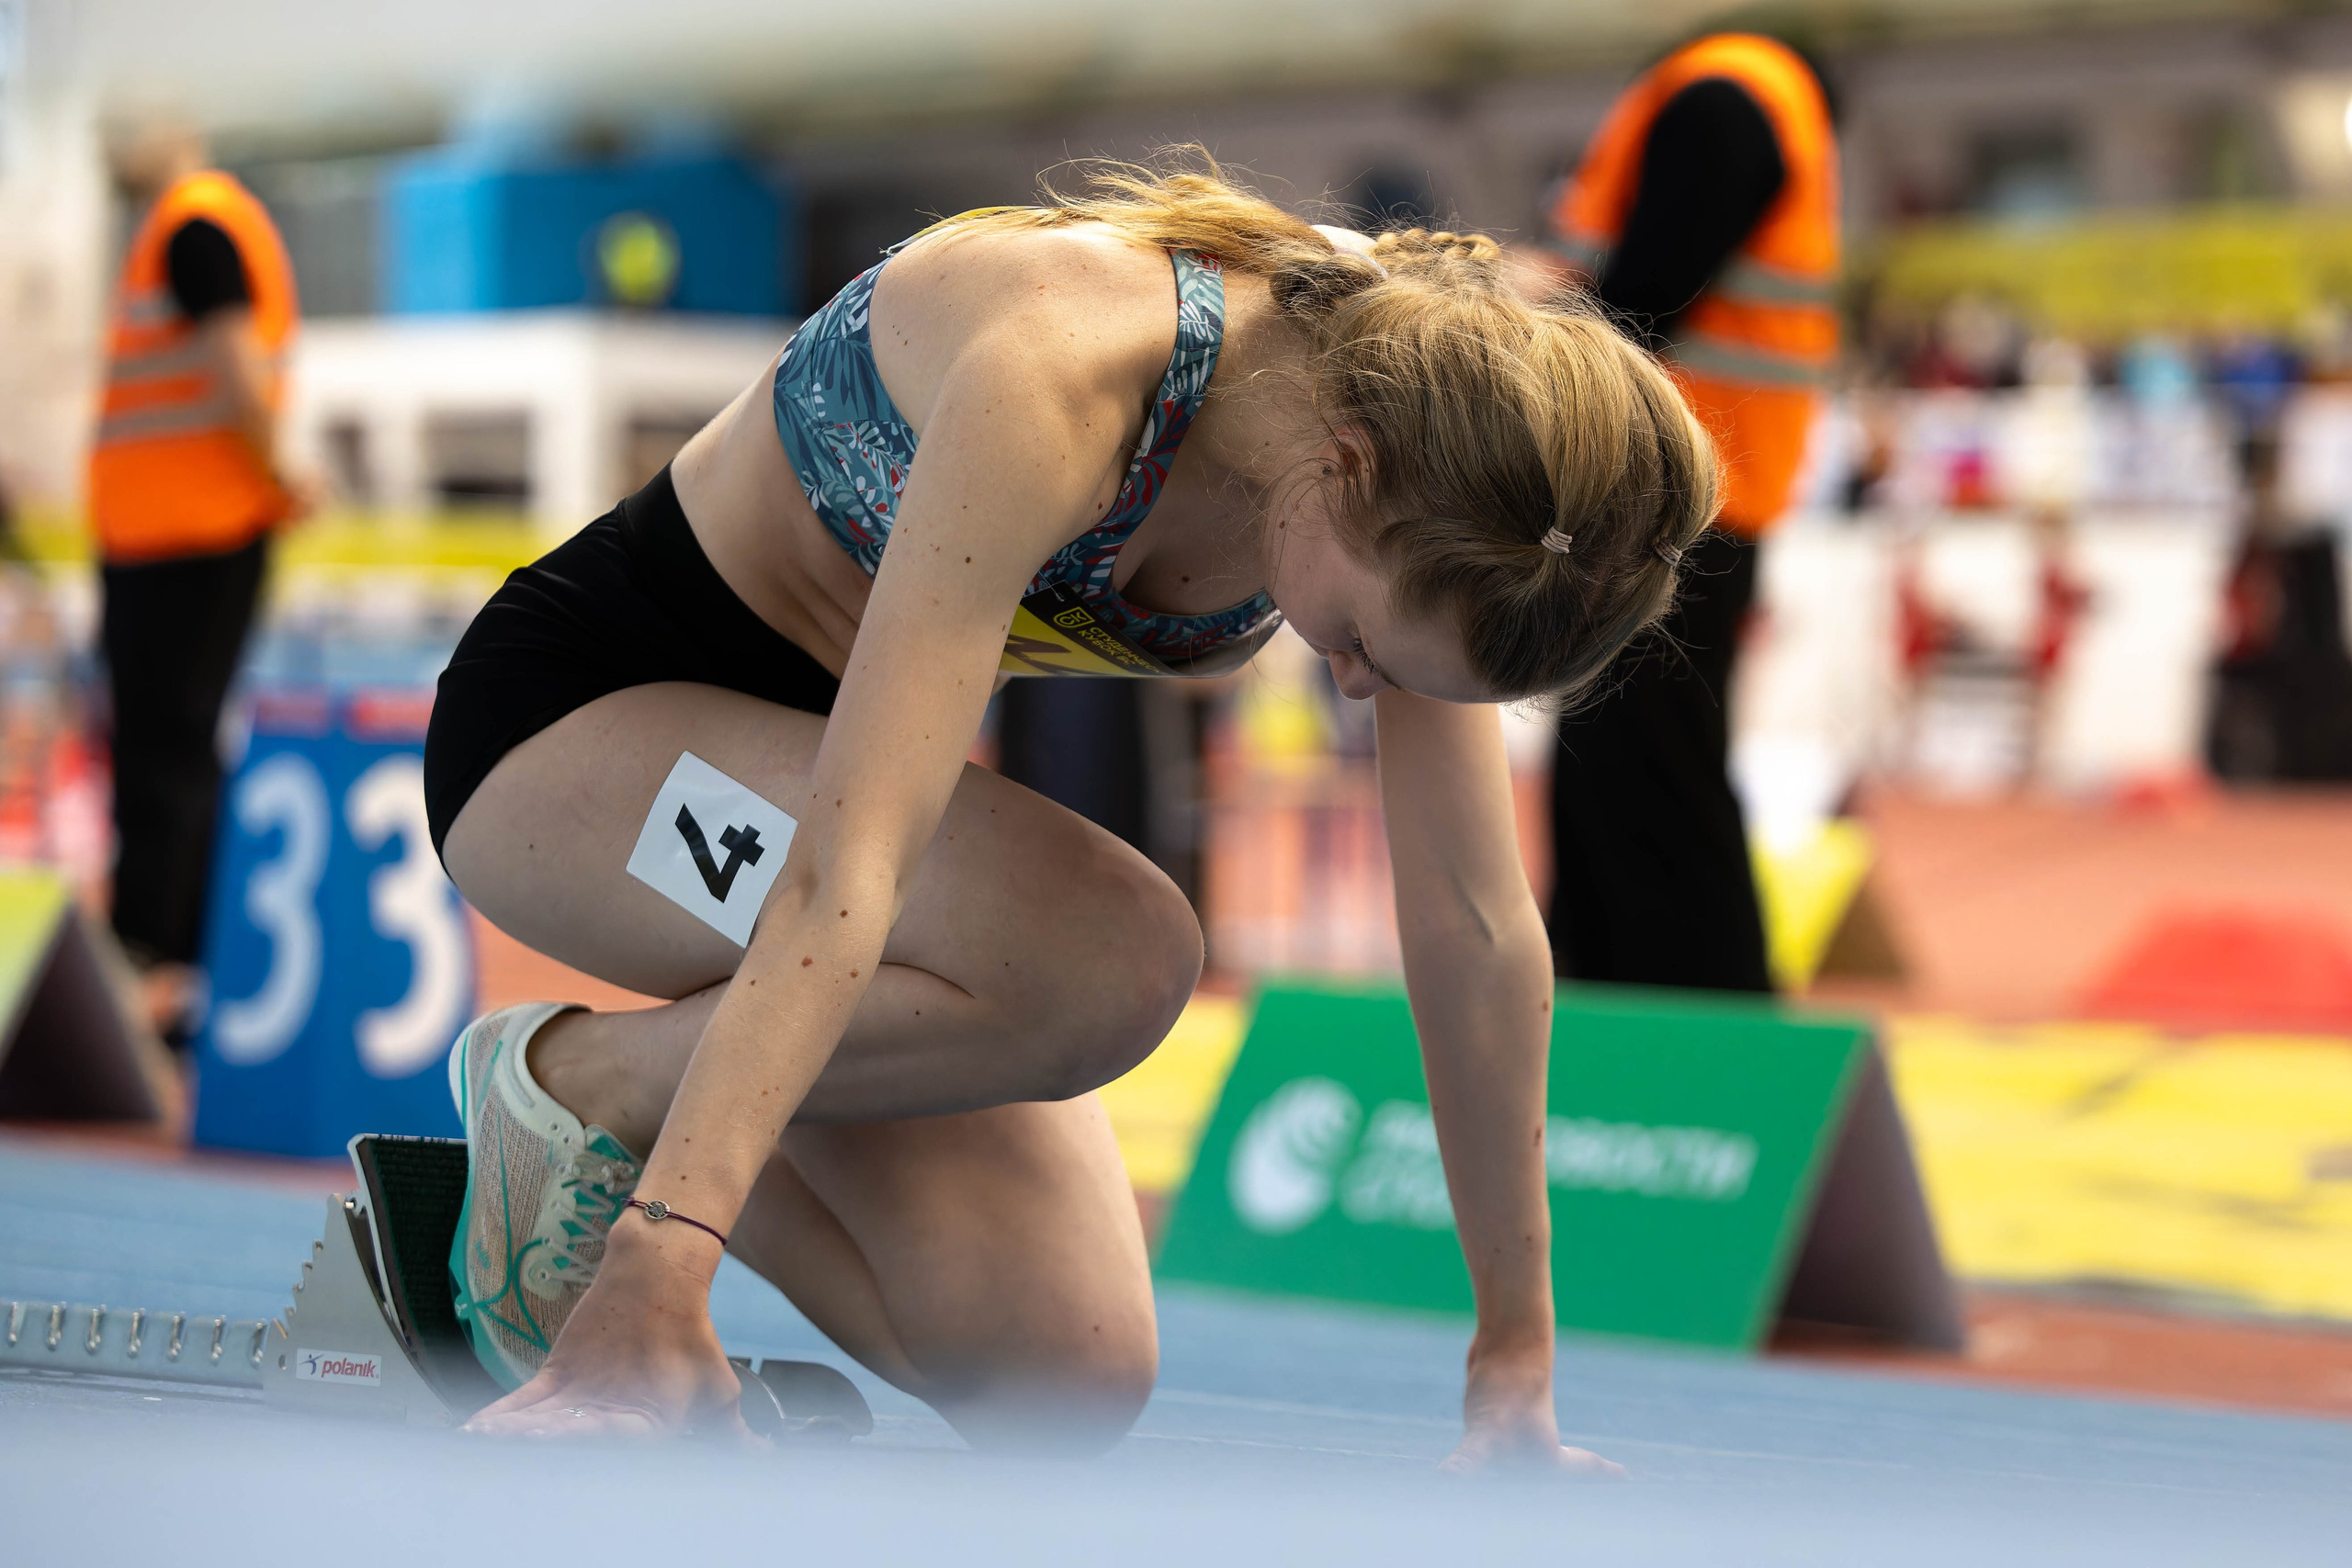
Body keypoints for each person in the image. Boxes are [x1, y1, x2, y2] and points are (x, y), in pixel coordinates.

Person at [423, 157, 1715, 1466]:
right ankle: (583, 1093)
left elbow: (1477, 926)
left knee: (1064, 1373)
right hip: (581, 737)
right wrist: (663, 1262)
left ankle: (595, 1097)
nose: (1359, 684)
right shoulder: (1070, 365)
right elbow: (848, 862)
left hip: (805, 781)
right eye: (1366, 643)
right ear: (1347, 467)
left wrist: (1513, 1363)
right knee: (1115, 953)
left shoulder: (1441, 446)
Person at [1527, 34, 1840, 992]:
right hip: (1689, 488)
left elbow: (1645, 294)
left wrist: (1531, 318)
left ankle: (1711, 1029)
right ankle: (1606, 999)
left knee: (1647, 780)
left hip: (1673, 494)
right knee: (1615, 776)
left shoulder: (1723, 100)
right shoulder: (1749, 97)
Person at [88, 122, 301, 1039]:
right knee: (164, 750)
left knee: (165, 753)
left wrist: (279, 473)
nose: (106, 131)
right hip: (168, 531)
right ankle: (162, 956)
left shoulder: (194, 226)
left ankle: (157, 962)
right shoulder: (178, 230)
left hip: (192, 533)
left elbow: (231, 366)